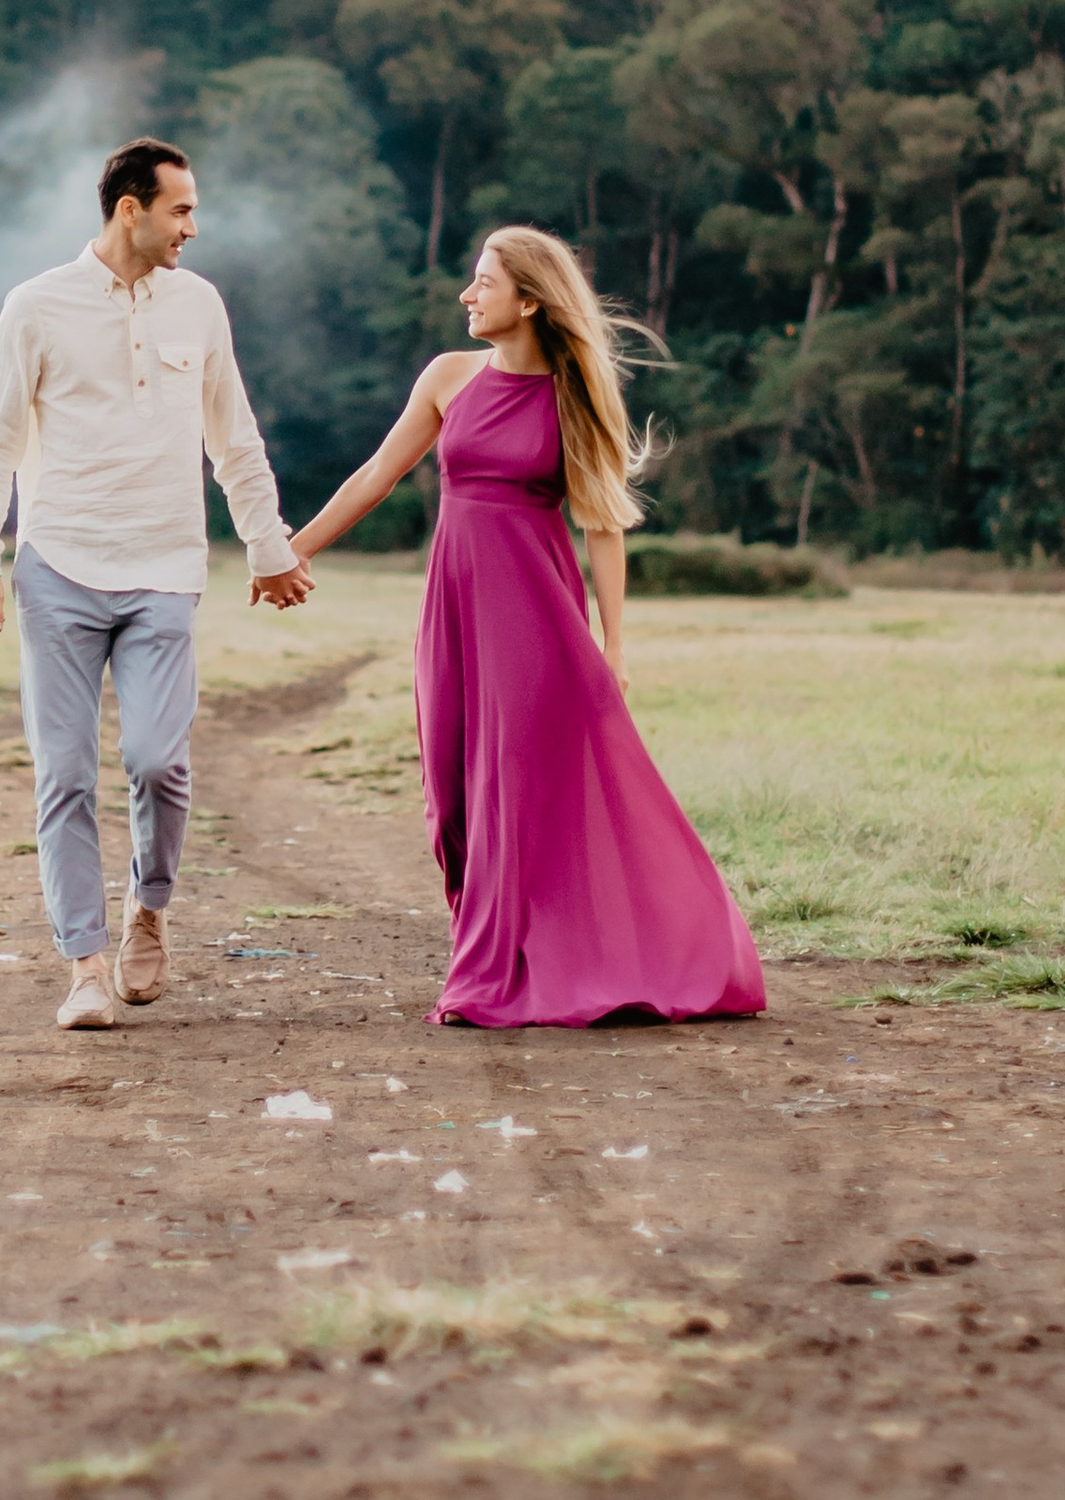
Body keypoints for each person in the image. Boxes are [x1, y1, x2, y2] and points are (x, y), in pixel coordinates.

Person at [287, 223, 764, 1031]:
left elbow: (603, 526)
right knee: (450, 796)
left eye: (484, 282)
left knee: (512, 792)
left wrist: (613, 644)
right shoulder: (448, 377)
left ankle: (496, 970)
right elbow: (377, 474)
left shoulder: (575, 396)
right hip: (453, 611)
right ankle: (500, 947)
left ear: (531, 301)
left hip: (536, 620)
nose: (467, 295)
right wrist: (290, 551)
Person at [0, 137, 310, 1030]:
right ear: (131, 209)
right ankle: (83, 966)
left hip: (165, 569)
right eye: (180, 210)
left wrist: (266, 544)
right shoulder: (36, 306)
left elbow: (234, 437)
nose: (193, 226)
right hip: (59, 567)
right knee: (65, 774)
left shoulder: (199, 305)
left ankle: (148, 911)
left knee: (159, 761)